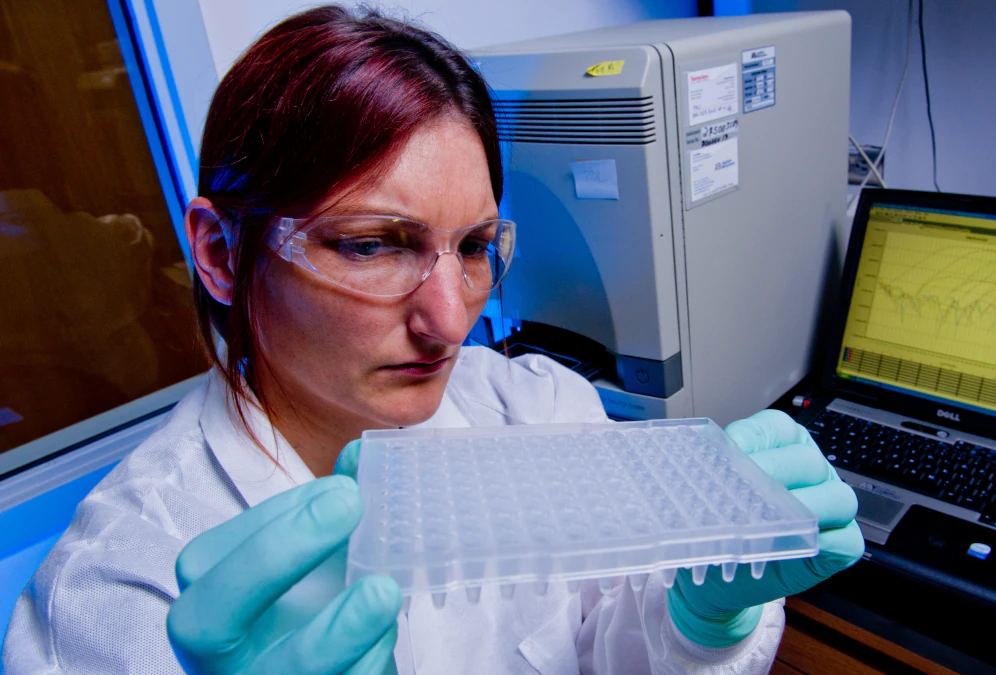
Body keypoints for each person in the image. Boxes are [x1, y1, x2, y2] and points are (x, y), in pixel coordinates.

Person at [2, 6, 863, 674]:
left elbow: (619, 647)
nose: (451, 324)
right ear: (223, 254)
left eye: (477, 248)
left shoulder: (535, 408)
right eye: (374, 244)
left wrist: (700, 619)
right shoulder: (115, 591)